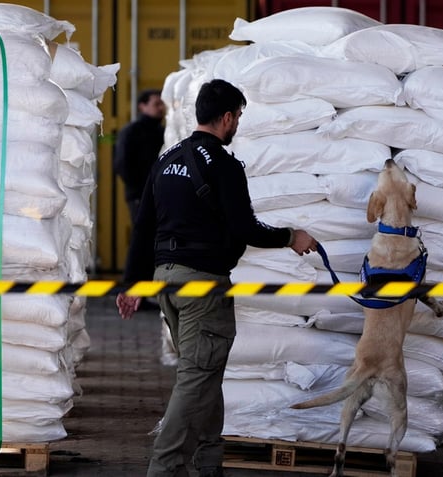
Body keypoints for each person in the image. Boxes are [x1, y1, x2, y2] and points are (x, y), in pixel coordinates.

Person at [115, 79, 318, 477]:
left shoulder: (167, 158)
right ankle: (164, 466)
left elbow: (143, 227)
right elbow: (246, 229)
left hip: (166, 282)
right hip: (203, 285)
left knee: (205, 373)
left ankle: (209, 460)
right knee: (196, 376)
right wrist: (291, 237)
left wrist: (133, 283)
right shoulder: (223, 165)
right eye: (238, 116)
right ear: (226, 117)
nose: (238, 123)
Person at [114, 88, 166, 225]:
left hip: (162, 196)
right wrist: (140, 190)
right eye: (156, 104)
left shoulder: (164, 133)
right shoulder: (130, 132)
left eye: (162, 104)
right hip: (139, 196)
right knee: (143, 237)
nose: (161, 108)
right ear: (142, 106)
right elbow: (121, 164)